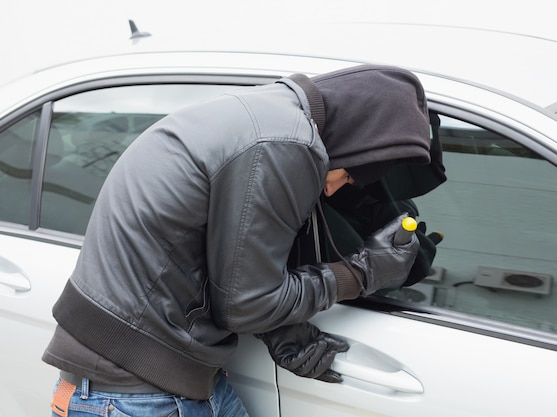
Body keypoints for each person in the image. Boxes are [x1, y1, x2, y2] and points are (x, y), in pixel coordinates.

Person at [43, 64, 445, 417]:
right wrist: (362, 271)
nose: (332, 189)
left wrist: (285, 329)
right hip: (134, 390)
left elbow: (228, 255)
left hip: (152, 374)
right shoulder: (284, 145)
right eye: (348, 176)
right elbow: (248, 305)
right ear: (358, 140)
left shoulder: (269, 116)